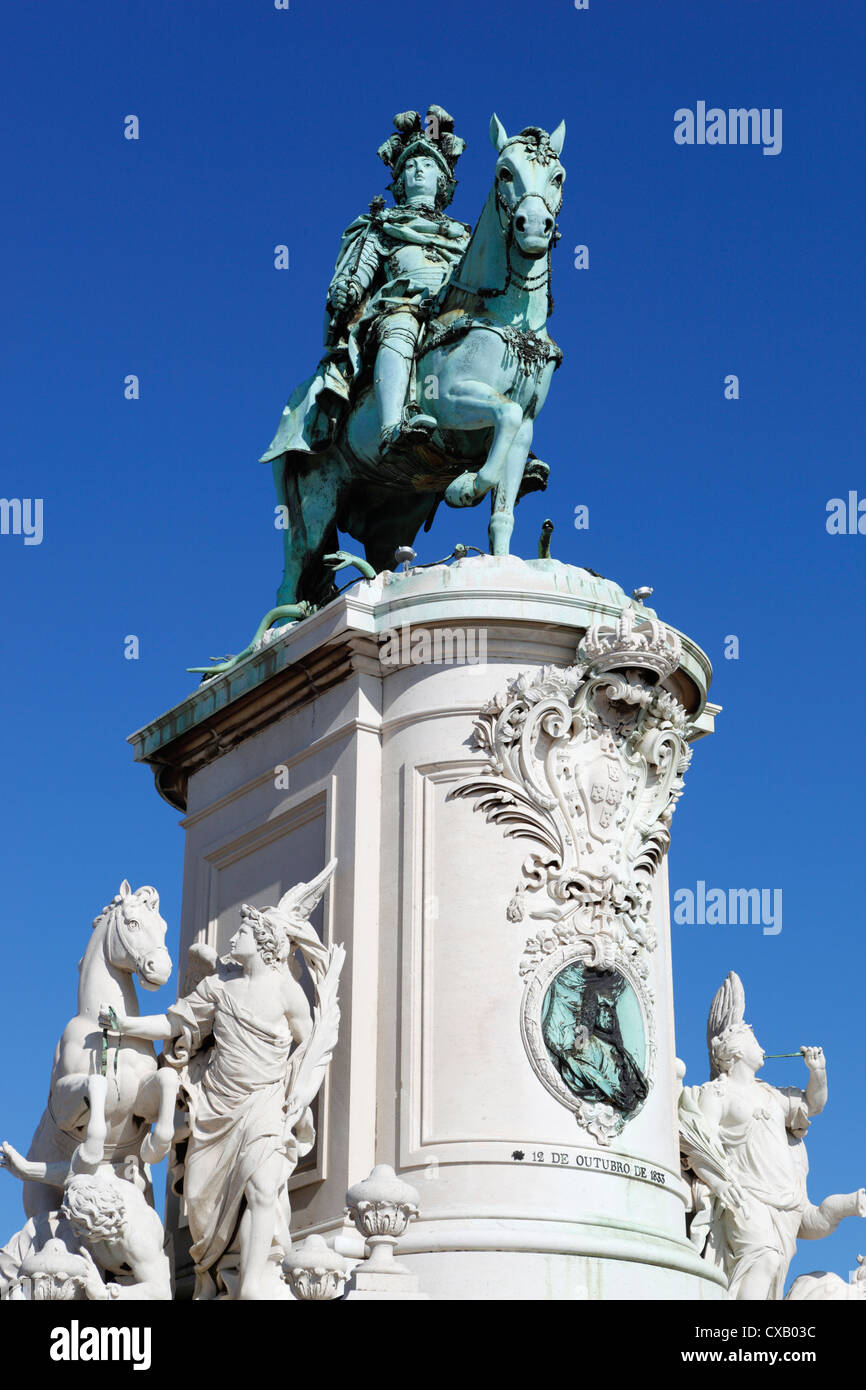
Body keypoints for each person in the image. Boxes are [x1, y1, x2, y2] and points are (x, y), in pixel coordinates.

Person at [98, 862, 341, 1301]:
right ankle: (217, 1272)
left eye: (242, 932)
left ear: (263, 942)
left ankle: (250, 1285)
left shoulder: (288, 993)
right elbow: (172, 1023)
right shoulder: (218, 988)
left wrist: (299, 1097)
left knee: (264, 1187)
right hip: (215, 1109)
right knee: (205, 1212)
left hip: (265, 1103)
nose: (233, 938)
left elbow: (309, 1048)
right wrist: (124, 1025)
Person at [260, 106, 470, 465]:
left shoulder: (466, 236)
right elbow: (357, 271)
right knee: (401, 324)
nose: (419, 169)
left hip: (453, 310)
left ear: (443, 180)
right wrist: (347, 289)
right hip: (402, 306)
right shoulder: (381, 225)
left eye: (429, 164)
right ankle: (391, 428)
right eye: (409, 165)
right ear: (400, 180)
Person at [680, 972, 866, 1300]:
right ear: (736, 1051)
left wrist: (817, 1072)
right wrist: (720, 1184)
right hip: (745, 1193)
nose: (760, 1044)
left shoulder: (773, 1095)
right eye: (753, 1038)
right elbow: (697, 1145)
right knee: (762, 1257)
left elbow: (814, 1104)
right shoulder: (717, 1094)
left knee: (774, 1266)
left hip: (784, 1201)